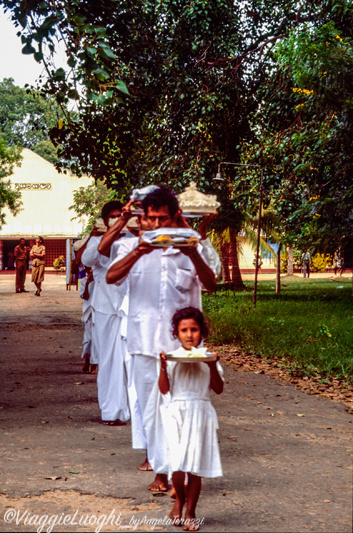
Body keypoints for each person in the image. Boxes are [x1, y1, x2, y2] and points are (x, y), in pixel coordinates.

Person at [106, 186, 218, 492]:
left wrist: (193, 251)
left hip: (183, 350)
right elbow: (111, 277)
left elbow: (212, 283)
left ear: (175, 217)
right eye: (151, 218)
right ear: (143, 218)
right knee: (152, 414)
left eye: (163, 219)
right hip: (143, 344)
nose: (157, 226)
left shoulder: (195, 245)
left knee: (182, 411)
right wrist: (139, 251)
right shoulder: (131, 246)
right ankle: (164, 472)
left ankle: (178, 474)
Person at [158, 307, 223, 531]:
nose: (189, 335)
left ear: (201, 332)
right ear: (176, 333)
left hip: (200, 413)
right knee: (176, 465)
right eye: (184, 330)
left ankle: (191, 511)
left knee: (194, 467)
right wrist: (163, 368)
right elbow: (165, 390)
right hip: (176, 413)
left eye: (194, 329)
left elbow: (218, 388)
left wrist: (213, 365)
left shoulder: (209, 357)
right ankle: (179, 500)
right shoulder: (172, 356)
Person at [81, 200, 131, 425]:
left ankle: (131, 409)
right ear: (105, 220)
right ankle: (111, 411)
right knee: (109, 361)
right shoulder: (97, 240)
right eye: (112, 216)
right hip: (105, 306)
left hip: (131, 304)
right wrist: (110, 232)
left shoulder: (133, 239)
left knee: (130, 360)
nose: (117, 218)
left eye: (121, 215)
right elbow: (87, 260)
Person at [80, 267, 95, 373]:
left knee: (98, 339)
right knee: (89, 339)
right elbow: (85, 296)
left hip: (99, 312)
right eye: (88, 269)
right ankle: (87, 359)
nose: (91, 271)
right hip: (89, 313)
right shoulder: (84, 281)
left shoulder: (101, 281)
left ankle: (95, 364)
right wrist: (87, 284)